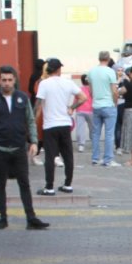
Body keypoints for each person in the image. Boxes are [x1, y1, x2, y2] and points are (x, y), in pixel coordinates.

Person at [0, 66, 49, 231]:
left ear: (14, 80)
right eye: (3, 80)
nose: (6, 83)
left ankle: (31, 218)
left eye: (9, 80)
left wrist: (34, 142)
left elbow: (30, 120)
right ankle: (3, 217)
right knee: (0, 184)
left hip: (19, 149)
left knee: (24, 184)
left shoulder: (22, 98)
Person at [34, 58, 86, 195]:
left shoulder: (44, 84)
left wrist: (33, 123)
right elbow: (83, 97)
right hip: (65, 124)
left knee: (50, 157)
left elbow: (38, 106)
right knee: (68, 155)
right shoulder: (68, 83)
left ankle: (49, 187)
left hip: (50, 125)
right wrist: (72, 108)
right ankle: (68, 184)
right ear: (59, 69)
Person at [87, 51, 122, 167]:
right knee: (109, 134)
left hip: (96, 105)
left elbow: (91, 91)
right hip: (109, 105)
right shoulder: (111, 72)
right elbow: (114, 91)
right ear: (108, 59)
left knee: (96, 133)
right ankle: (108, 159)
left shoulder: (91, 72)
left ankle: (95, 158)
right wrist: (115, 103)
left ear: (99, 58)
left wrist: (95, 99)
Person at [76, 73, 94, 154]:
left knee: (80, 128)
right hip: (91, 110)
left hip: (80, 110)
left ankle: (81, 145)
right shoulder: (92, 89)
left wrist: (72, 108)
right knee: (93, 127)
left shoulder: (79, 89)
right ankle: (94, 141)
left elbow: (76, 100)